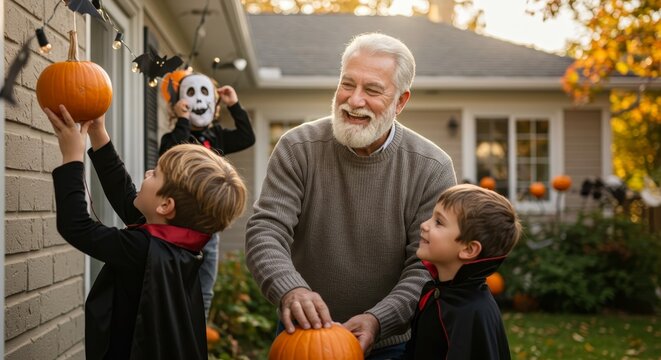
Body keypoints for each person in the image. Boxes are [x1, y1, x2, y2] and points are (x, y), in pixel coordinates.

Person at [245, 32, 457, 359]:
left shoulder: (431, 167)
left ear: (400, 101)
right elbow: (266, 231)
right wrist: (291, 289)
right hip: (302, 334)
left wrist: (378, 320)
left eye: (372, 90)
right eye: (347, 84)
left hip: (392, 344)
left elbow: (425, 266)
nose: (354, 100)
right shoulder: (297, 148)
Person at [45, 104, 247, 359]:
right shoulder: (177, 243)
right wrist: (99, 134)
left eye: (156, 174)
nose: (147, 172)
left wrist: (72, 158)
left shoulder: (142, 249)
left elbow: (77, 227)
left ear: (165, 205)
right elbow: (125, 194)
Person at [159, 73, 255, 316]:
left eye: (205, 94)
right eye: (190, 94)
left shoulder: (218, 136)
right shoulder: (173, 137)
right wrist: (182, 121)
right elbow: (173, 154)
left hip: (207, 229)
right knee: (174, 287)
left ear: (214, 106)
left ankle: (197, 339)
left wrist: (234, 105)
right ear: (179, 104)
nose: (198, 100)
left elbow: (247, 137)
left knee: (204, 290)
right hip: (177, 227)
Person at [403, 184, 521, 359]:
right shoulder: (436, 291)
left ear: (468, 249)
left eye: (439, 222)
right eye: (431, 217)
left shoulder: (471, 313)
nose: (424, 225)